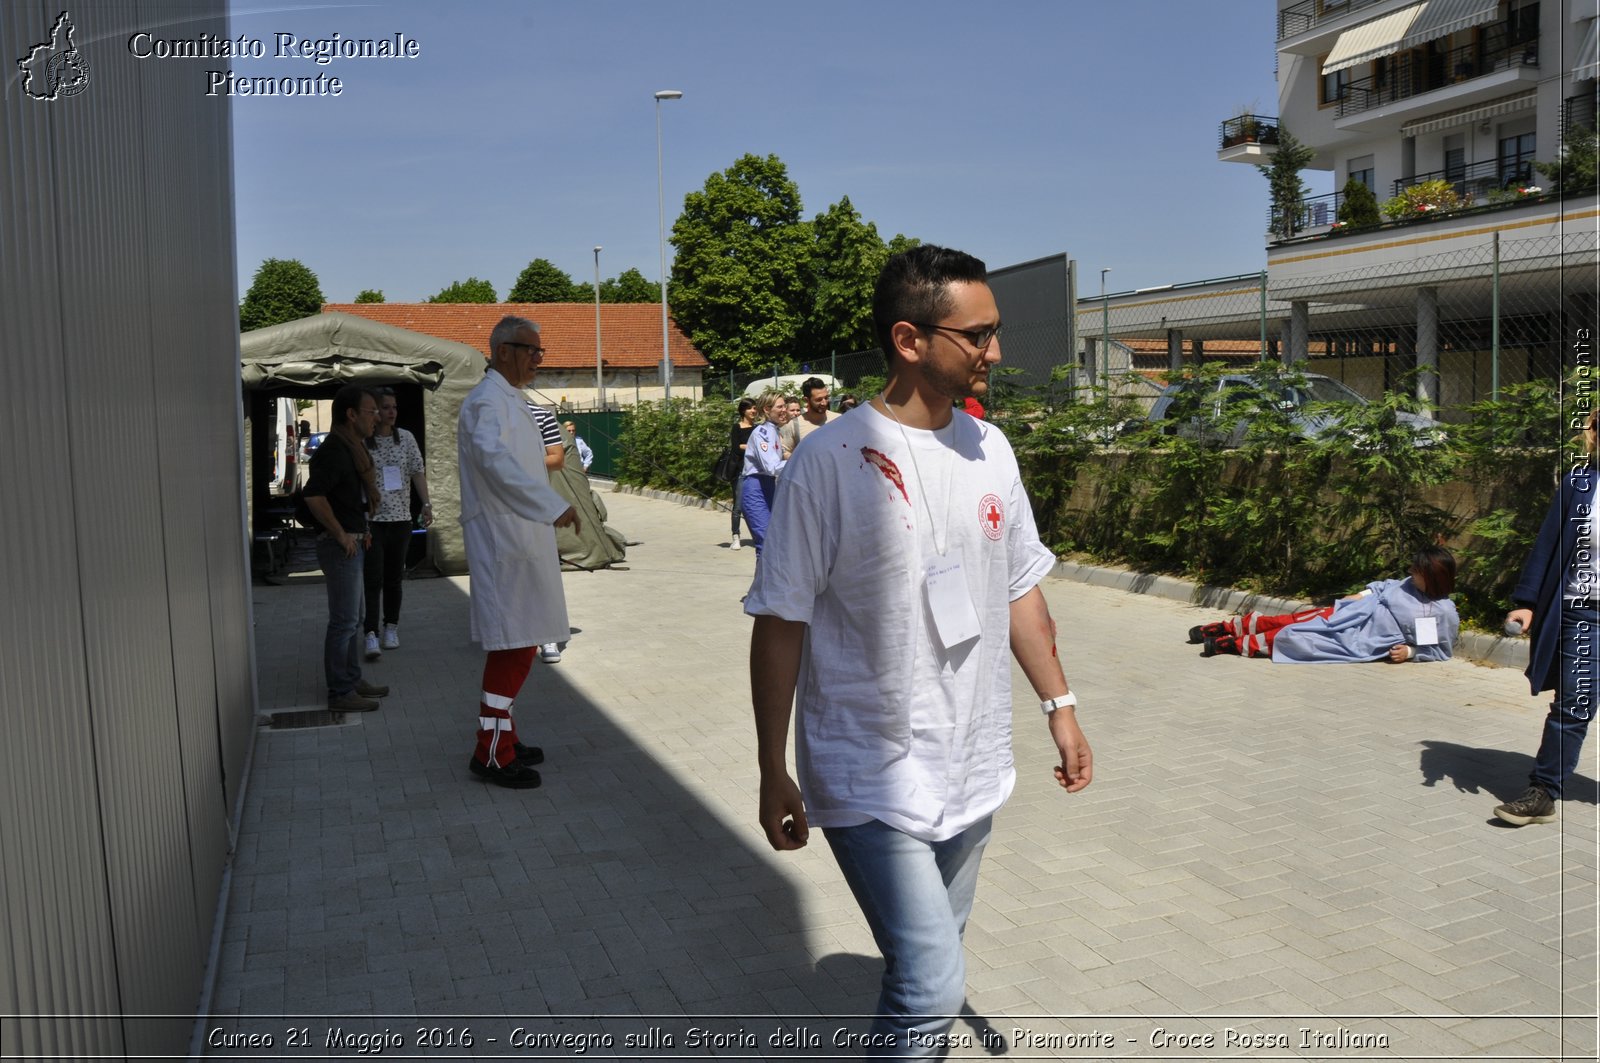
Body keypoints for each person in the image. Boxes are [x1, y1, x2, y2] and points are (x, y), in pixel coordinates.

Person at [748, 245, 1091, 1055]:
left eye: (995, 331)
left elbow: (1020, 588)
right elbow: (780, 621)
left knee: (923, 971)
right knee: (935, 982)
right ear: (909, 339)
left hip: (972, 761)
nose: (994, 352)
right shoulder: (826, 463)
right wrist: (771, 765)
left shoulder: (990, 449)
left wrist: (1061, 707)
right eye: (977, 335)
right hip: (869, 766)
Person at [458, 317, 581, 789]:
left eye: (539, 352)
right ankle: (490, 751)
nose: (538, 359)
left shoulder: (511, 399)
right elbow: (496, 465)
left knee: (524, 639)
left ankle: (504, 734)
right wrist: (549, 506)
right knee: (514, 643)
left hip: (522, 536)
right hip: (504, 538)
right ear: (503, 350)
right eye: (532, 350)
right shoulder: (486, 402)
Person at [1494, 410, 1599, 826]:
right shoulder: (1579, 486)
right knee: (1575, 703)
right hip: (1584, 613)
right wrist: (1527, 601)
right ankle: (1544, 791)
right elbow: (1546, 545)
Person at [1188, 546, 1460, 663]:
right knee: (1288, 621)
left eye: (1417, 569)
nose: (1411, 571)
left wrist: (1411, 653)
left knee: (1295, 637)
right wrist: (1360, 596)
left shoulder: (1441, 612)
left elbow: (1438, 650)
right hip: (1348, 614)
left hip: (1359, 638)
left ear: (1432, 575)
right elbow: (1381, 587)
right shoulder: (1407, 583)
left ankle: (1232, 645)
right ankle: (1223, 628)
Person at [302, 385, 389, 713]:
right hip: (341, 548)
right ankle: (341, 691)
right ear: (351, 415)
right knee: (344, 621)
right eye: (371, 412)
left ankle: (351, 680)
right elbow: (313, 495)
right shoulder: (335, 450)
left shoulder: (352, 448)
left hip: (354, 541)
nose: (377, 418)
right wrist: (340, 534)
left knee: (354, 618)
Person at [362, 387, 432, 660]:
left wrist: (426, 504)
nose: (392, 412)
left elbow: (417, 472)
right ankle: (370, 633)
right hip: (372, 521)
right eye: (386, 407)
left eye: (394, 407)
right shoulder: (365, 441)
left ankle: (391, 626)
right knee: (373, 578)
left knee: (394, 578)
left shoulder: (406, 438)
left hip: (401, 519)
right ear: (375, 412)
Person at [526, 401, 567, 663]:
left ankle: (547, 635)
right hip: (499, 506)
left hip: (535, 504)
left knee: (542, 570)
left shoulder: (540, 414)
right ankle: (514, 634)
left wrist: (520, 462)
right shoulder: (487, 410)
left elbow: (557, 458)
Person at [738, 393, 790, 557]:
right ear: (767, 410)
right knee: (766, 544)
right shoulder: (761, 433)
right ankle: (763, 583)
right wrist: (800, 461)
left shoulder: (775, 431)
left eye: (784, 406)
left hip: (770, 487)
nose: (784, 410)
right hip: (755, 489)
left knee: (774, 543)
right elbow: (771, 467)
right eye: (780, 407)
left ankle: (766, 582)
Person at [779, 376, 840, 458]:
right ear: (806, 400)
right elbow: (785, 452)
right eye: (819, 400)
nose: (824, 403)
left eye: (826, 398)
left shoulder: (839, 419)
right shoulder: (794, 425)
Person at [729, 398, 759, 550]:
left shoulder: (758, 428)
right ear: (743, 411)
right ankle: (736, 536)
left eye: (754, 408)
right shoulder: (737, 427)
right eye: (750, 408)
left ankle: (757, 535)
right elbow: (735, 447)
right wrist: (753, 446)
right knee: (738, 505)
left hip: (756, 470)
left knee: (755, 505)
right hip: (740, 470)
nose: (753, 411)